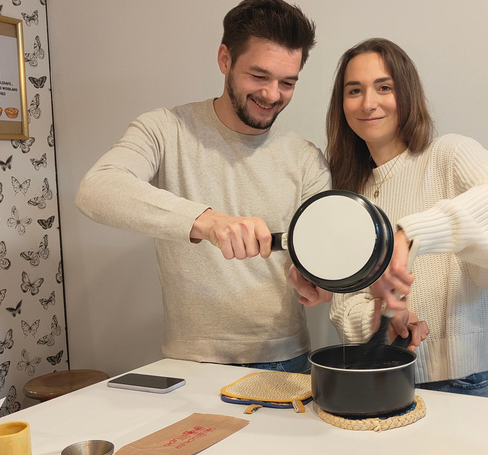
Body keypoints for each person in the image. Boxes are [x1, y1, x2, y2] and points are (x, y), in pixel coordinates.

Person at [75, 0, 330, 373]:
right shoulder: (165, 129)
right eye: (259, 76)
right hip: (190, 361)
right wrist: (207, 221)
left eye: (287, 82)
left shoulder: (306, 158)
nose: (273, 95)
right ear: (225, 59)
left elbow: (318, 248)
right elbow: (96, 189)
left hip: (286, 359)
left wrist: (312, 275)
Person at [321, 38, 488, 397]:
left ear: (406, 94)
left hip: (465, 383)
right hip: (383, 383)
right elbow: (344, 306)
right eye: (354, 90)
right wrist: (380, 322)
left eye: (383, 88)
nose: (368, 103)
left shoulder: (447, 156)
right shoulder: (349, 193)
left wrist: (407, 236)